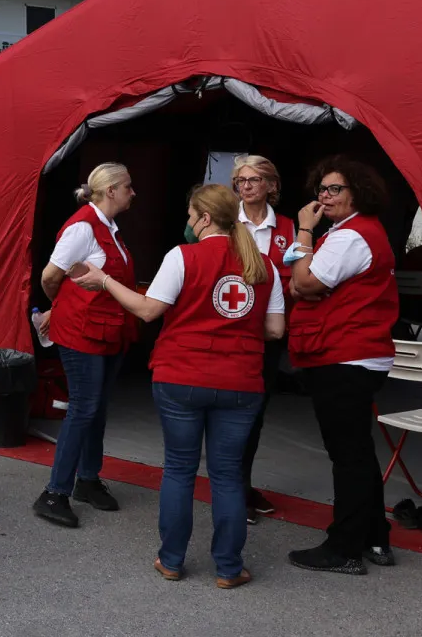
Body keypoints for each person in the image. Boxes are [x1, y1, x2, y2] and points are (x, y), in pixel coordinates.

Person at [71, 184, 286, 588]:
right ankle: (227, 567)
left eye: (191, 215)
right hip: (240, 381)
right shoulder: (264, 266)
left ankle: (171, 560)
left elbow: (149, 311)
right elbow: (275, 329)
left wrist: (104, 281)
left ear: (205, 218)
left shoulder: (182, 256)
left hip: (181, 376)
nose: (188, 223)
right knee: (226, 475)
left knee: (180, 470)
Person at [284, 156, 400, 575]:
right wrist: (304, 278)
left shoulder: (351, 236)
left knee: (347, 455)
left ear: (358, 193)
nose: (325, 196)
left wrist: (303, 231)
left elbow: (306, 282)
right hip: (355, 354)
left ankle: (344, 547)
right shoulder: (350, 234)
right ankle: (373, 536)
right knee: (358, 452)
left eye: (335, 189)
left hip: (345, 355)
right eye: (322, 189)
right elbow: (303, 283)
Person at [33, 162, 137, 528]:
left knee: (96, 409)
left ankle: (88, 480)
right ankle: (54, 492)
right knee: (83, 407)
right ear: (111, 191)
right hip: (82, 332)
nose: (132, 192)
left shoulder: (108, 227)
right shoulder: (82, 227)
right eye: (127, 186)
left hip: (106, 331)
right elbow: (50, 276)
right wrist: (58, 306)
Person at [232, 155, 296, 521]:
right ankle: (234, 488)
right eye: (241, 180)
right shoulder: (226, 223)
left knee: (255, 414)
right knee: (234, 413)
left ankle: (241, 480)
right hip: (233, 335)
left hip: (269, 337)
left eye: (255, 179)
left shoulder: (288, 227)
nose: (247, 186)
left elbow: (300, 279)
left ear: (272, 185)